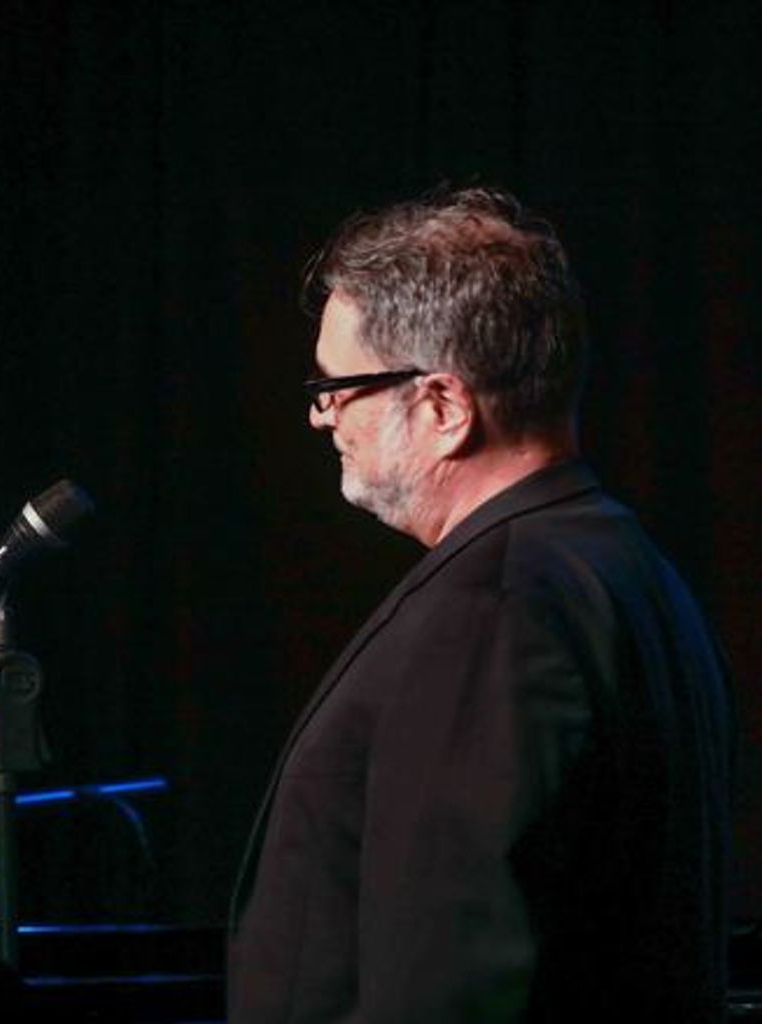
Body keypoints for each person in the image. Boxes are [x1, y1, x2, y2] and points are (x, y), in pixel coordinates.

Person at [228, 187, 735, 1022]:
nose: (322, 416)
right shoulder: (623, 564)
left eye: (338, 386)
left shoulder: (496, 609)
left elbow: (454, 978)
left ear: (442, 407)